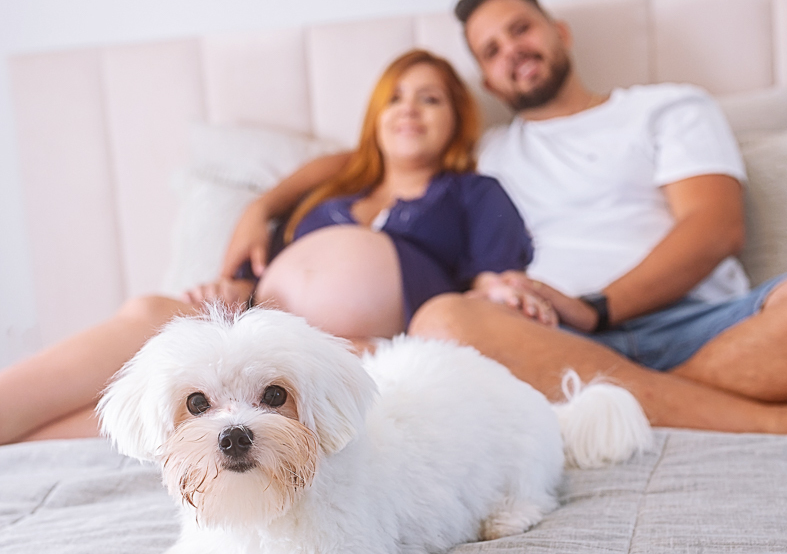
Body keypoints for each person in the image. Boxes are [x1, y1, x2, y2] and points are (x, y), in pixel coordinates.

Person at [401, 0, 787, 438]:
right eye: (491, 50)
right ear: (488, 82)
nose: (512, 50)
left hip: (703, 326)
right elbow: (387, 188)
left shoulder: (667, 107)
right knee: (441, 321)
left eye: (521, 29)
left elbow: (715, 227)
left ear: (560, 32)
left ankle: (622, 399)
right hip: (555, 337)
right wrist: (502, 291)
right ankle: (783, 421)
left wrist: (598, 307)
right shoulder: (486, 154)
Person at [0, 49, 534, 445]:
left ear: (457, 118)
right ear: (375, 117)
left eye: (430, 98)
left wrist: (500, 293)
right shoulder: (337, 187)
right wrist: (233, 283)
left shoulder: (473, 193)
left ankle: (23, 443)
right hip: (253, 324)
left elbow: (489, 291)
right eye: (394, 98)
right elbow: (259, 266)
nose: (408, 108)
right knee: (150, 315)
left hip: (361, 351)